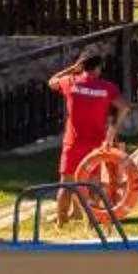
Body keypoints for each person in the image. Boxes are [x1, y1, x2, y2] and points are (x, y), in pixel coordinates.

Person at [47, 51, 122, 228]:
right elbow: (125, 107)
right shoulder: (107, 88)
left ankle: (60, 223)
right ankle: (91, 224)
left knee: (66, 185)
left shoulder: (70, 82)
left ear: (82, 66)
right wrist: (113, 130)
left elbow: (51, 82)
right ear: (98, 68)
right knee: (93, 186)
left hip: (72, 144)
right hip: (95, 145)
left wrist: (73, 69)